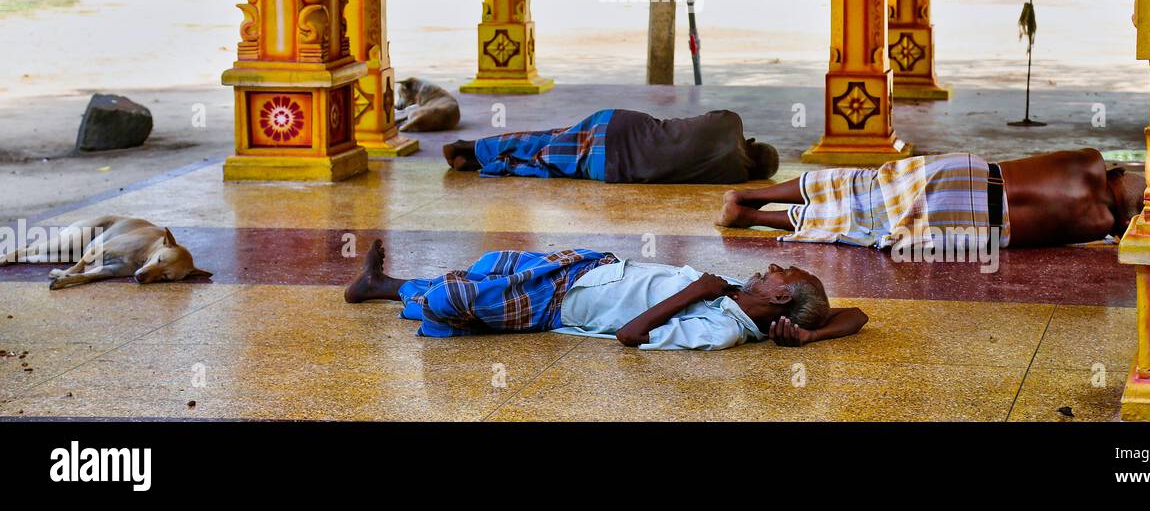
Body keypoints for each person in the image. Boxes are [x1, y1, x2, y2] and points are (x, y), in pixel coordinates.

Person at [343, 239, 867, 350]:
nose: (773, 265)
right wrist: (812, 332)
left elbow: (630, 334)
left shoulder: (724, 327)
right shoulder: (733, 294)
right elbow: (858, 314)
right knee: (484, 268)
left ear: (777, 299)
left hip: (560, 306)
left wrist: (694, 293)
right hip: (586, 269)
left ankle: (392, 292)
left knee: (455, 298)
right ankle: (381, 287)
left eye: (783, 271)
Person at [716, 147, 1145, 249]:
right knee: (865, 217)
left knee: (865, 194)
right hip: (979, 213)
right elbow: (1118, 226)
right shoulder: (1100, 223)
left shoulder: (1091, 167)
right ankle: (751, 210)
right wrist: (1124, 224)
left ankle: (750, 204)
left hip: (977, 196)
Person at [442, 108, 780, 183]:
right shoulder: (733, 175)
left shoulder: (730, 122)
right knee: (546, 161)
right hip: (613, 168)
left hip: (619, 125)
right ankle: (483, 163)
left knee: (547, 137)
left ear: (750, 141)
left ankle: (471, 145)